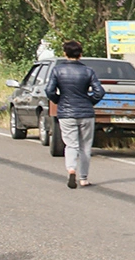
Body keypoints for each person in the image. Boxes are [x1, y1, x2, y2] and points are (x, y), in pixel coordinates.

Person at [45, 40, 104, 189]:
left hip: (66, 113)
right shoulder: (88, 71)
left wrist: (59, 100)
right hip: (86, 113)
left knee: (71, 144)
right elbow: (99, 92)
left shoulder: (57, 70)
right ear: (80, 54)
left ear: (65, 53)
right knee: (85, 147)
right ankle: (83, 178)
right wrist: (89, 102)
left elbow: (49, 90)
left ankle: (71, 169)